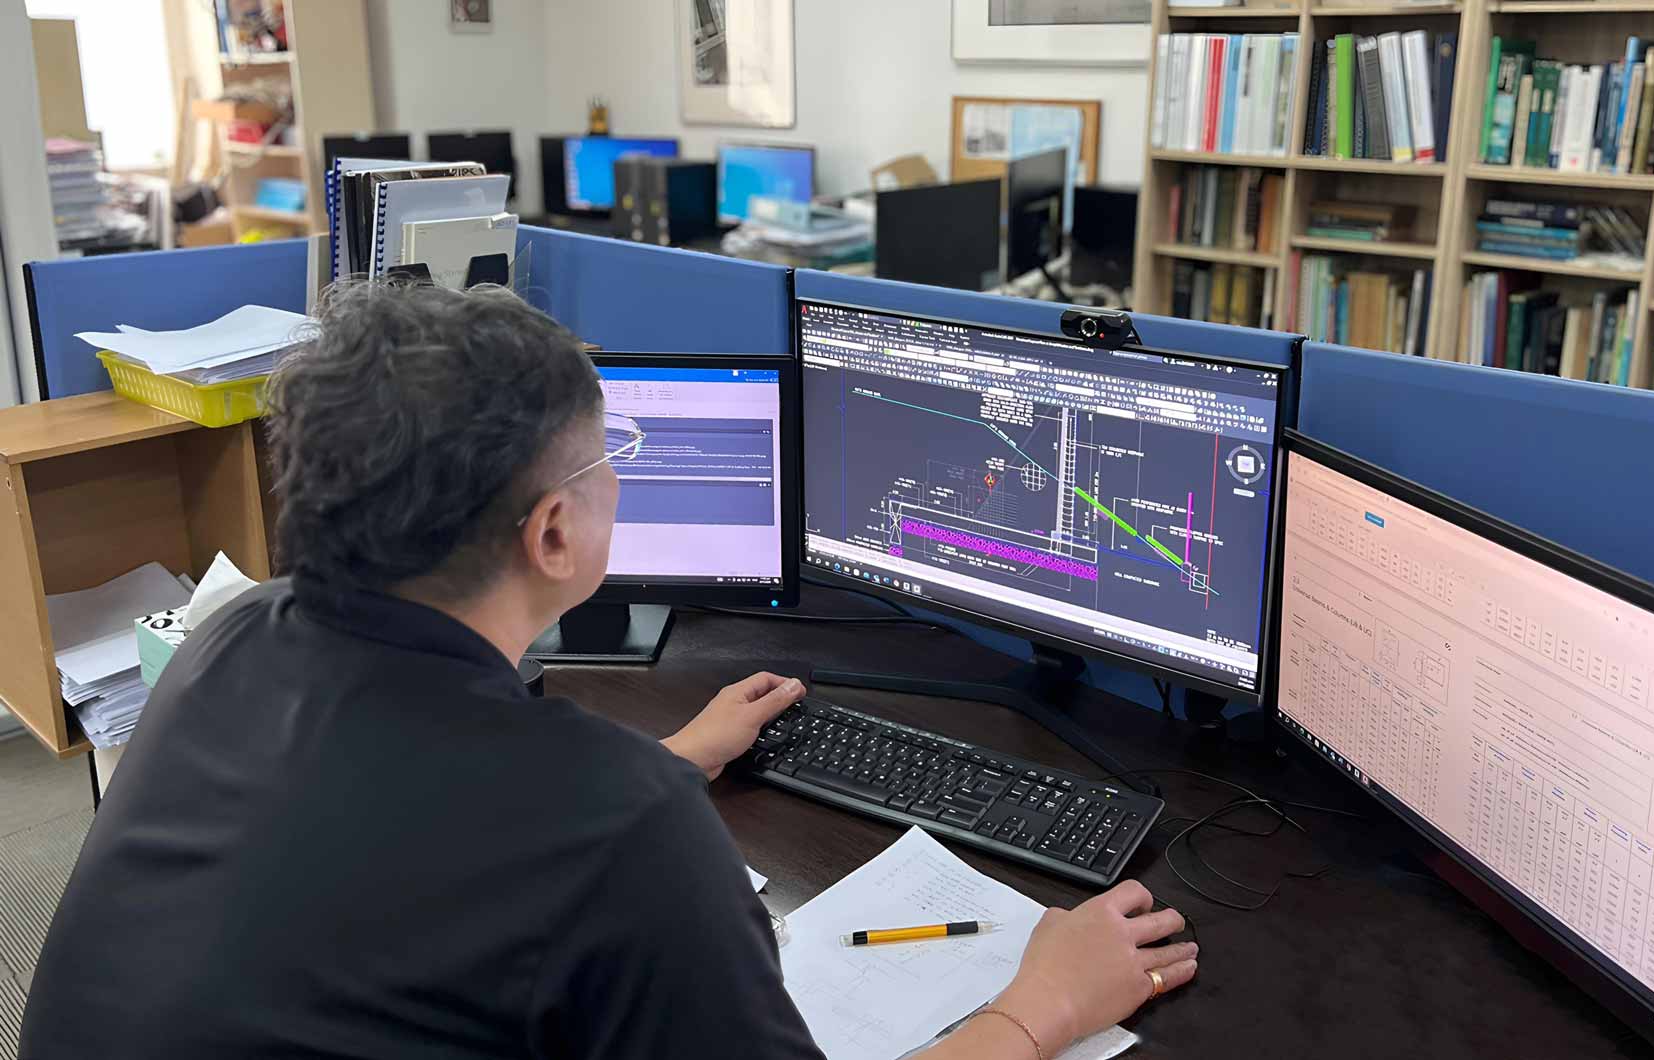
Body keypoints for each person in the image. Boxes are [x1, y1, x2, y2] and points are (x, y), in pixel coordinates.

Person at [20, 283, 1197, 1060]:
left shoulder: (231, 637)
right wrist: (1038, 1007)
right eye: (609, 456)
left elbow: (404, 842)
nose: (617, 479)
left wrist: (671, 760)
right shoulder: (614, 823)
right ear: (552, 533)